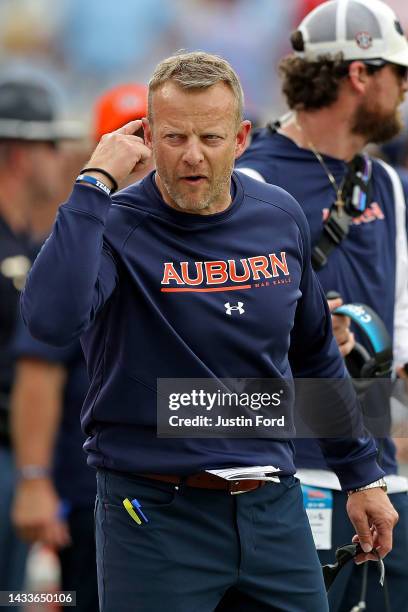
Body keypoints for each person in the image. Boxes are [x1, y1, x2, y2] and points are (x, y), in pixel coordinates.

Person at [21, 51, 398, 612]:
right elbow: (51, 321)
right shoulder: (115, 223)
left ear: (242, 137)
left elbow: (316, 355)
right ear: (147, 136)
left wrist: (362, 475)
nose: (192, 156)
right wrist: (93, 185)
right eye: (174, 138)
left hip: (274, 506)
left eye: (211, 138)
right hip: (154, 513)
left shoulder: (280, 214)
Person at [236, 1, 408, 610]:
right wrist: (299, 337)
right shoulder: (249, 184)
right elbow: (213, 341)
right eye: (399, 73)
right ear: (361, 75)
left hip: (386, 479)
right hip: (293, 477)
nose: (405, 88)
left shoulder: (386, 182)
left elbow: (403, 329)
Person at [10, 82, 153, 612]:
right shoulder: (85, 241)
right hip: (92, 489)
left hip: (171, 488)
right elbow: (38, 370)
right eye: (135, 143)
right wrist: (33, 480)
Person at [0, 77, 80, 599]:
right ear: (22, 153)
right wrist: (31, 477)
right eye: (52, 144)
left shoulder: (31, 244)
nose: (62, 157)